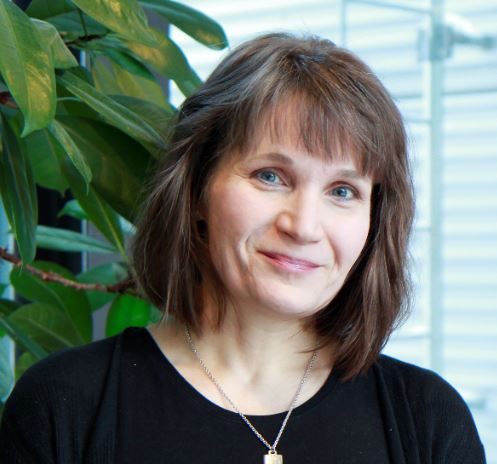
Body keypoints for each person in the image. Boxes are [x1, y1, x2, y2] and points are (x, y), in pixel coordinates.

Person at [0, 33, 486, 464]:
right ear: (195, 192)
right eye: (270, 176)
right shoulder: (63, 406)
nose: (304, 226)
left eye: (342, 191)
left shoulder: (428, 420)